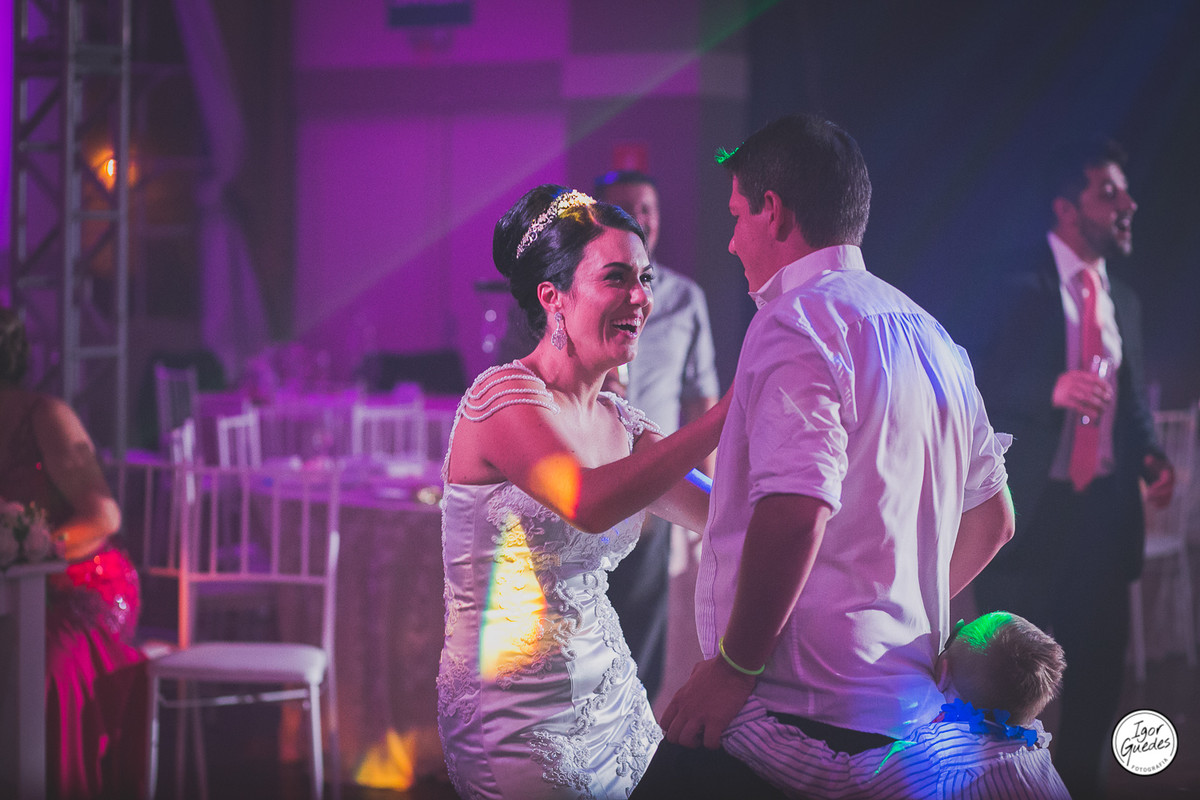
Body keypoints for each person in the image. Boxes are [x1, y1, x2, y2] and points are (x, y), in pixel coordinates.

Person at [632, 113, 1015, 799]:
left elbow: (795, 509)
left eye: (737, 214)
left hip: (798, 713)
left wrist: (733, 667)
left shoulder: (796, 321)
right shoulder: (934, 336)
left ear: (773, 212)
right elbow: (993, 520)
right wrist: (898, 610)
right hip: (907, 715)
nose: (730, 239)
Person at [436, 184, 729, 798]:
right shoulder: (501, 398)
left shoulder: (624, 424)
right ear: (554, 298)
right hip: (516, 720)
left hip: (616, 701)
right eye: (617, 278)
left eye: (644, 278)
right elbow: (587, 502)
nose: (640, 298)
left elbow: (726, 514)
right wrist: (724, 414)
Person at [969, 137, 1174, 797]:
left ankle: (1080, 784)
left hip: (1102, 516)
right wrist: (1047, 389)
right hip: (1025, 511)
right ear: (1065, 208)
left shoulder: (1126, 300)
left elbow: (1132, 402)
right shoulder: (1009, 282)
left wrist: (1150, 457)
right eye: (1108, 194)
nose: (1127, 205)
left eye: (1126, 193)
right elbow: (969, 379)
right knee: (1002, 679)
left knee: (1098, 674)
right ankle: (999, 784)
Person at [0, 306, 146, 798]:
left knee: (43, 665)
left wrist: (31, 548)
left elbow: (104, 517)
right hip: (12, 593)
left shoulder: (46, 415)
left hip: (84, 586)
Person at [592, 169, 721, 706]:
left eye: (647, 209)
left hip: (654, 487)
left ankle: (629, 750)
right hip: (586, 475)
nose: (639, 220)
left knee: (640, 638)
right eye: (625, 209)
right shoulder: (578, 294)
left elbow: (700, 399)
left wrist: (709, 499)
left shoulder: (686, 299)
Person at [722, 611, 1071, 799]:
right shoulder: (1035, 749)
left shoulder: (945, 756)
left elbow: (835, 778)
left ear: (942, 671)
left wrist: (741, 718)